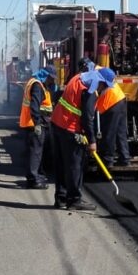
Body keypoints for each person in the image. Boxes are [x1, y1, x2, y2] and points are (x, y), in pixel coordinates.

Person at [49, 66, 114, 211]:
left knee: (61, 165)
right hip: (70, 129)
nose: (104, 89)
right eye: (105, 86)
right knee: (75, 166)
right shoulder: (91, 89)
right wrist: (92, 141)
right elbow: (87, 119)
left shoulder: (79, 77)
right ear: (102, 82)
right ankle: (74, 200)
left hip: (57, 124)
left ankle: (61, 199)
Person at [19, 65, 55, 189]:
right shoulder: (37, 86)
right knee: (35, 152)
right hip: (34, 124)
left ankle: (35, 176)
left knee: (34, 151)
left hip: (31, 123)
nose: (52, 81)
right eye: (51, 78)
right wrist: (37, 124)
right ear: (46, 76)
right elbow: (34, 106)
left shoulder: (34, 82)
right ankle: (34, 179)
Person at [96, 78, 130, 168]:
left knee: (109, 132)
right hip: (120, 98)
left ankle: (108, 160)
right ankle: (125, 158)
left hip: (110, 103)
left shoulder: (92, 75)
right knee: (120, 131)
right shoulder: (100, 71)